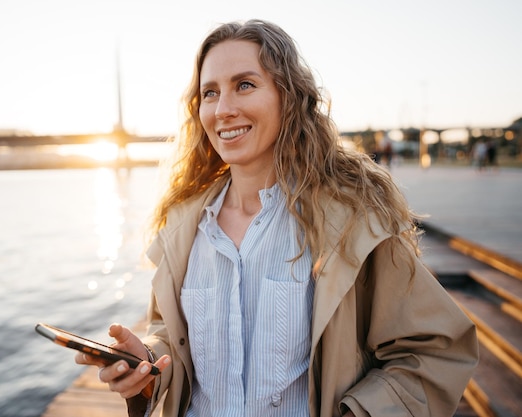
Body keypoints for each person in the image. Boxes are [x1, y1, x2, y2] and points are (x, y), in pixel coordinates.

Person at [76, 19, 478, 417]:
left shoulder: (351, 224)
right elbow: (173, 338)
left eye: (244, 85)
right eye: (210, 93)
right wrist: (146, 362)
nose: (224, 109)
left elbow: (435, 350)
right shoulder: (183, 229)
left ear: (288, 96)